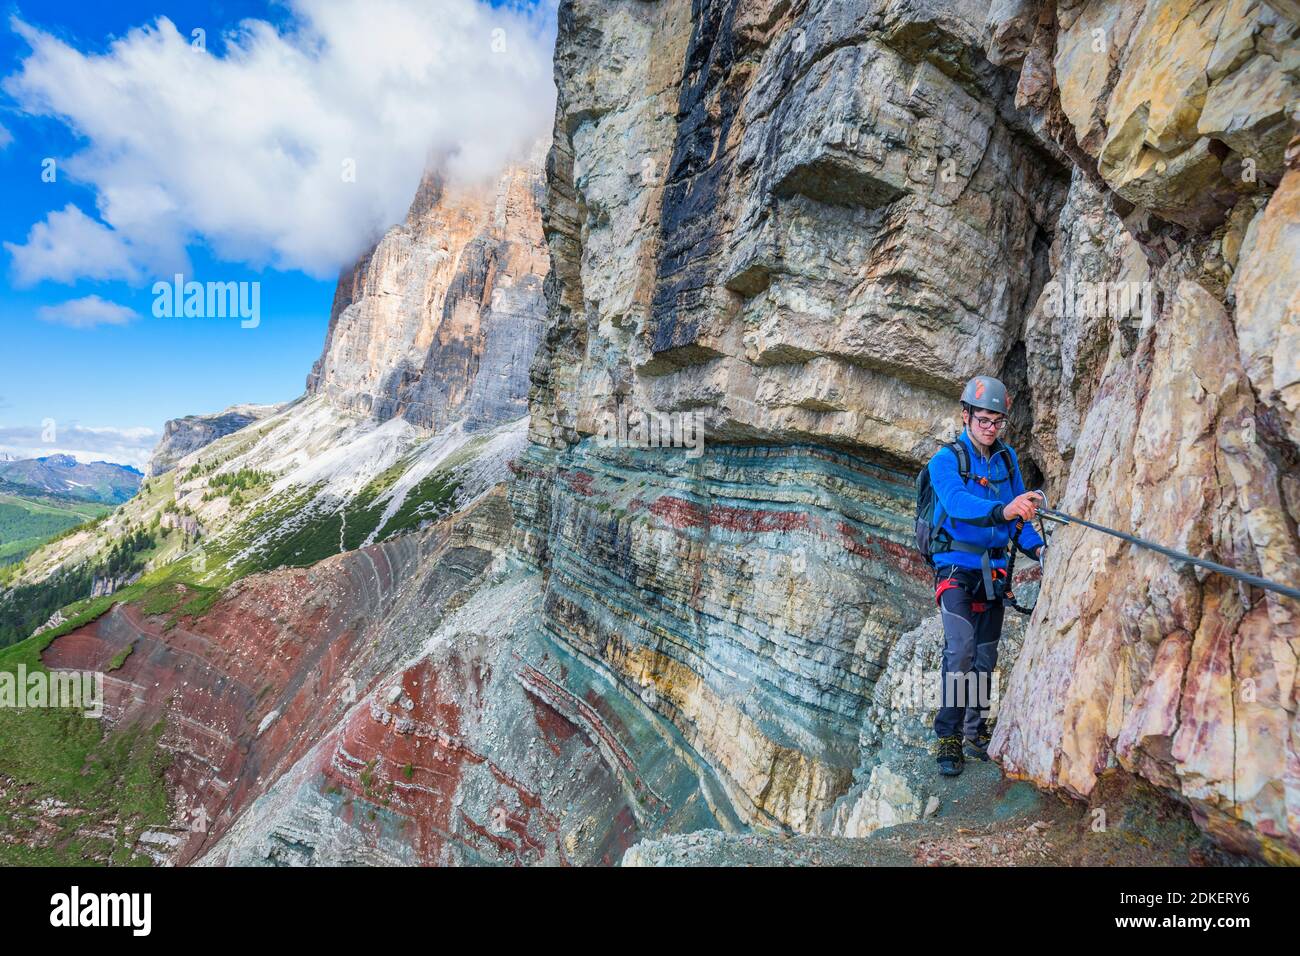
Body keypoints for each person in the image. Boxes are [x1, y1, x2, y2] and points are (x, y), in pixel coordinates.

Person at [928, 375, 1045, 776]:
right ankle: (948, 735)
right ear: (965, 415)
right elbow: (957, 503)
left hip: (993, 569)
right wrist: (1003, 511)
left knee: (985, 654)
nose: (990, 428)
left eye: (997, 421)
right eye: (983, 420)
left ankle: (974, 730)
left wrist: (1039, 549)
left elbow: (1019, 518)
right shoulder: (945, 460)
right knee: (960, 649)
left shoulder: (1006, 460)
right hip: (956, 566)